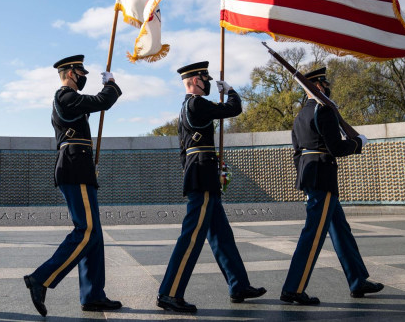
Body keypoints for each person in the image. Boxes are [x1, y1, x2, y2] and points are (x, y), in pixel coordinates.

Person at [157, 61, 266, 314]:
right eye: (204, 78)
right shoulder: (196, 103)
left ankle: (239, 285)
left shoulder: (184, 108)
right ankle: (170, 292)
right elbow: (233, 109)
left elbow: (184, 151)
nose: (207, 82)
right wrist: (231, 91)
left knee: (221, 236)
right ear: (194, 81)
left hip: (201, 171)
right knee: (192, 236)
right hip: (203, 174)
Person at [24, 55, 123, 317]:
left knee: (94, 234)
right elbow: (103, 101)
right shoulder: (65, 97)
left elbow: (95, 106)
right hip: (74, 167)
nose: (83, 76)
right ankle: (41, 278)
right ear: (69, 73)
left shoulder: (72, 100)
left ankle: (93, 294)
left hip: (80, 167)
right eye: (80, 72)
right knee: (87, 230)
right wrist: (110, 85)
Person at [280, 67, 383, 305]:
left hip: (311, 175)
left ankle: (357, 280)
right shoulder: (323, 110)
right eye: (324, 84)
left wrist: (305, 181)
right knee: (313, 234)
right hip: (323, 176)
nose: (328, 87)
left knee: (341, 231)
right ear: (317, 86)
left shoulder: (300, 116)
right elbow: (336, 147)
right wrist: (358, 143)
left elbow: (297, 153)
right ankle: (292, 288)